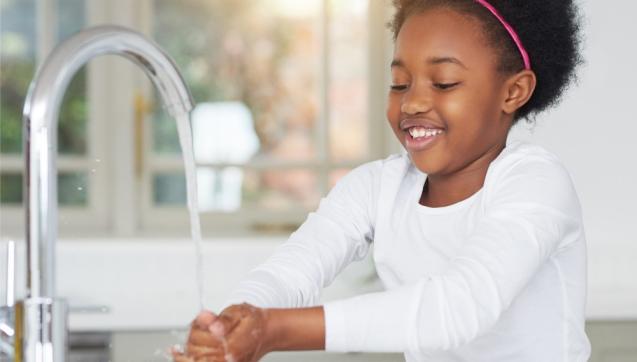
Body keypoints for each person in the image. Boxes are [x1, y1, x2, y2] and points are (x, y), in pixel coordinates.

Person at [173, 0, 589, 361]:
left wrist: (273, 330)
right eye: (399, 83)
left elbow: (458, 308)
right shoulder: (377, 188)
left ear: (513, 92)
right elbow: (291, 272)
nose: (413, 101)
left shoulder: (535, 183)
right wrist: (232, 324)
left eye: (444, 83)